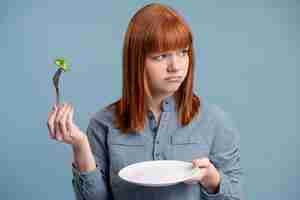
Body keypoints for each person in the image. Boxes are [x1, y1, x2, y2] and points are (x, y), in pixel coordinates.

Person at [47, 3, 243, 200]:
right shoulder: (103, 124)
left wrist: (212, 179)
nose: (176, 66)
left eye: (183, 52)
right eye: (161, 56)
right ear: (137, 60)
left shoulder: (214, 121)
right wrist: (80, 145)